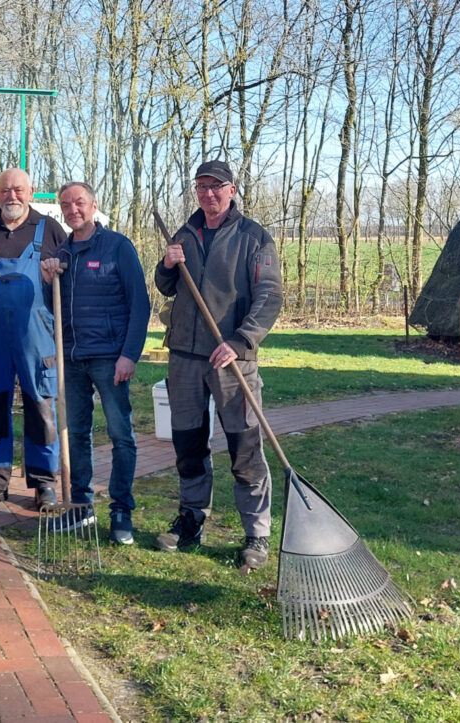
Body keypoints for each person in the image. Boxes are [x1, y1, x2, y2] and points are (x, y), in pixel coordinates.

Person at [153, 160, 283, 570]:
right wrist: (167, 264)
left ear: (232, 189)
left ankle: (256, 534)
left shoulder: (254, 237)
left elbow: (270, 296)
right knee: (188, 444)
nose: (208, 193)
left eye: (216, 186)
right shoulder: (184, 234)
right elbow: (165, 286)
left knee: (245, 447)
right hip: (186, 359)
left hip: (233, 360)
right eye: (201, 186)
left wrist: (240, 340)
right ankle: (191, 519)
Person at [40, 182, 150, 544]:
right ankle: (80, 509)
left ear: (94, 205)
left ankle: (121, 511)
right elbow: (51, 303)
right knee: (74, 436)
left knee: (121, 435)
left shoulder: (118, 247)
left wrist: (129, 355)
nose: (73, 209)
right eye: (66, 205)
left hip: (110, 358)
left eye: (80, 202)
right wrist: (47, 277)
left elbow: (140, 305)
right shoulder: (61, 253)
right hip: (72, 359)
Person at [0, 168, 67, 510]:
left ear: (31, 191)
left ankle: (43, 483)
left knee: (40, 406)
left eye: (19, 190)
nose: (12, 196)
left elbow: (65, 283)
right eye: (5, 190)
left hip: (37, 334)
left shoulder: (50, 229)